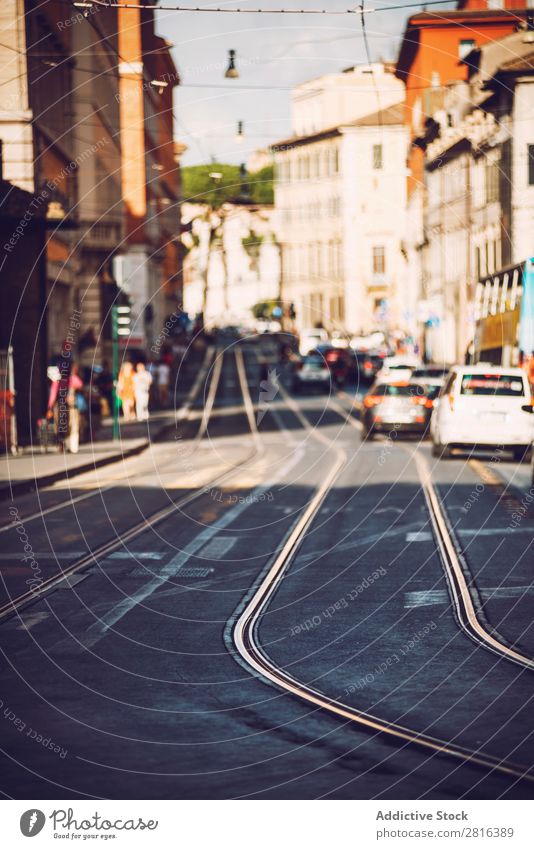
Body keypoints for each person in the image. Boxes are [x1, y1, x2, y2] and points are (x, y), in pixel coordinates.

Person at [47, 361, 84, 453]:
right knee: (69, 426)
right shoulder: (71, 379)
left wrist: (50, 407)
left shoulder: (58, 381)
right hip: (66, 407)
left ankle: (63, 445)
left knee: (61, 426)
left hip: (61, 407)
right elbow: (80, 384)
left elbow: (53, 395)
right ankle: (66, 445)